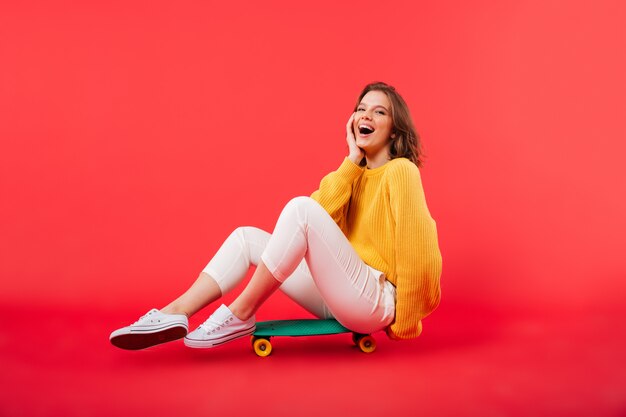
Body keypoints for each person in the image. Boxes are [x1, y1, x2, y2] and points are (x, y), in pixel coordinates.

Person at [109, 81, 442, 350]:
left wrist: (404, 323)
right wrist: (351, 161)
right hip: (342, 294)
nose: (365, 115)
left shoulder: (401, 172)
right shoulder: (353, 174)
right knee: (246, 238)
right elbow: (319, 221)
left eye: (378, 111)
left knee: (300, 208)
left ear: (394, 131)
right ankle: (174, 313)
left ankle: (241, 313)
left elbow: (421, 255)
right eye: (360, 109)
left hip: (375, 300)